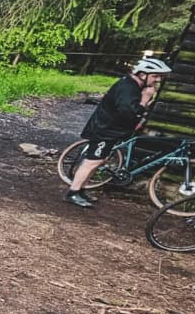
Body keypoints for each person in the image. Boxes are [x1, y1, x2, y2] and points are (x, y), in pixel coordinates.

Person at [65, 54, 173, 207]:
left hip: (110, 130)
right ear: (143, 74)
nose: (158, 80)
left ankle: (81, 190)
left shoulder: (133, 86)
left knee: (98, 161)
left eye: (160, 77)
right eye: (155, 76)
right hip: (104, 130)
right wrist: (144, 100)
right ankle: (73, 193)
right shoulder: (128, 88)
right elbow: (129, 112)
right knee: (91, 162)